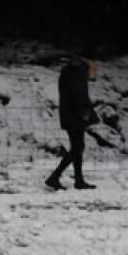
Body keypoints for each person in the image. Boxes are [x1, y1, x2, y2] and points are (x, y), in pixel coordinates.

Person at [46, 57, 99, 191]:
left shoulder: (68, 69)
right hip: (76, 114)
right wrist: (85, 110)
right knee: (77, 147)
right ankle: (54, 177)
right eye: (94, 69)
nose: (94, 72)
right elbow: (80, 92)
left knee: (77, 147)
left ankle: (79, 180)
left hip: (68, 112)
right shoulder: (79, 70)